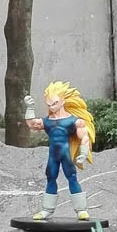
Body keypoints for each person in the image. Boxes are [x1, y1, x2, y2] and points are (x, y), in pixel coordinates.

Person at [25, 82, 95, 220]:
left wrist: (83, 153)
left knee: (72, 177)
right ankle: (47, 210)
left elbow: (84, 137)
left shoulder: (74, 121)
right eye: (49, 104)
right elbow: (32, 124)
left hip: (66, 154)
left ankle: (81, 210)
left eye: (54, 103)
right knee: (51, 178)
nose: (51, 107)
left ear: (63, 101)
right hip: (53, 156)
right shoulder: (47, 121)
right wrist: (30, 108)